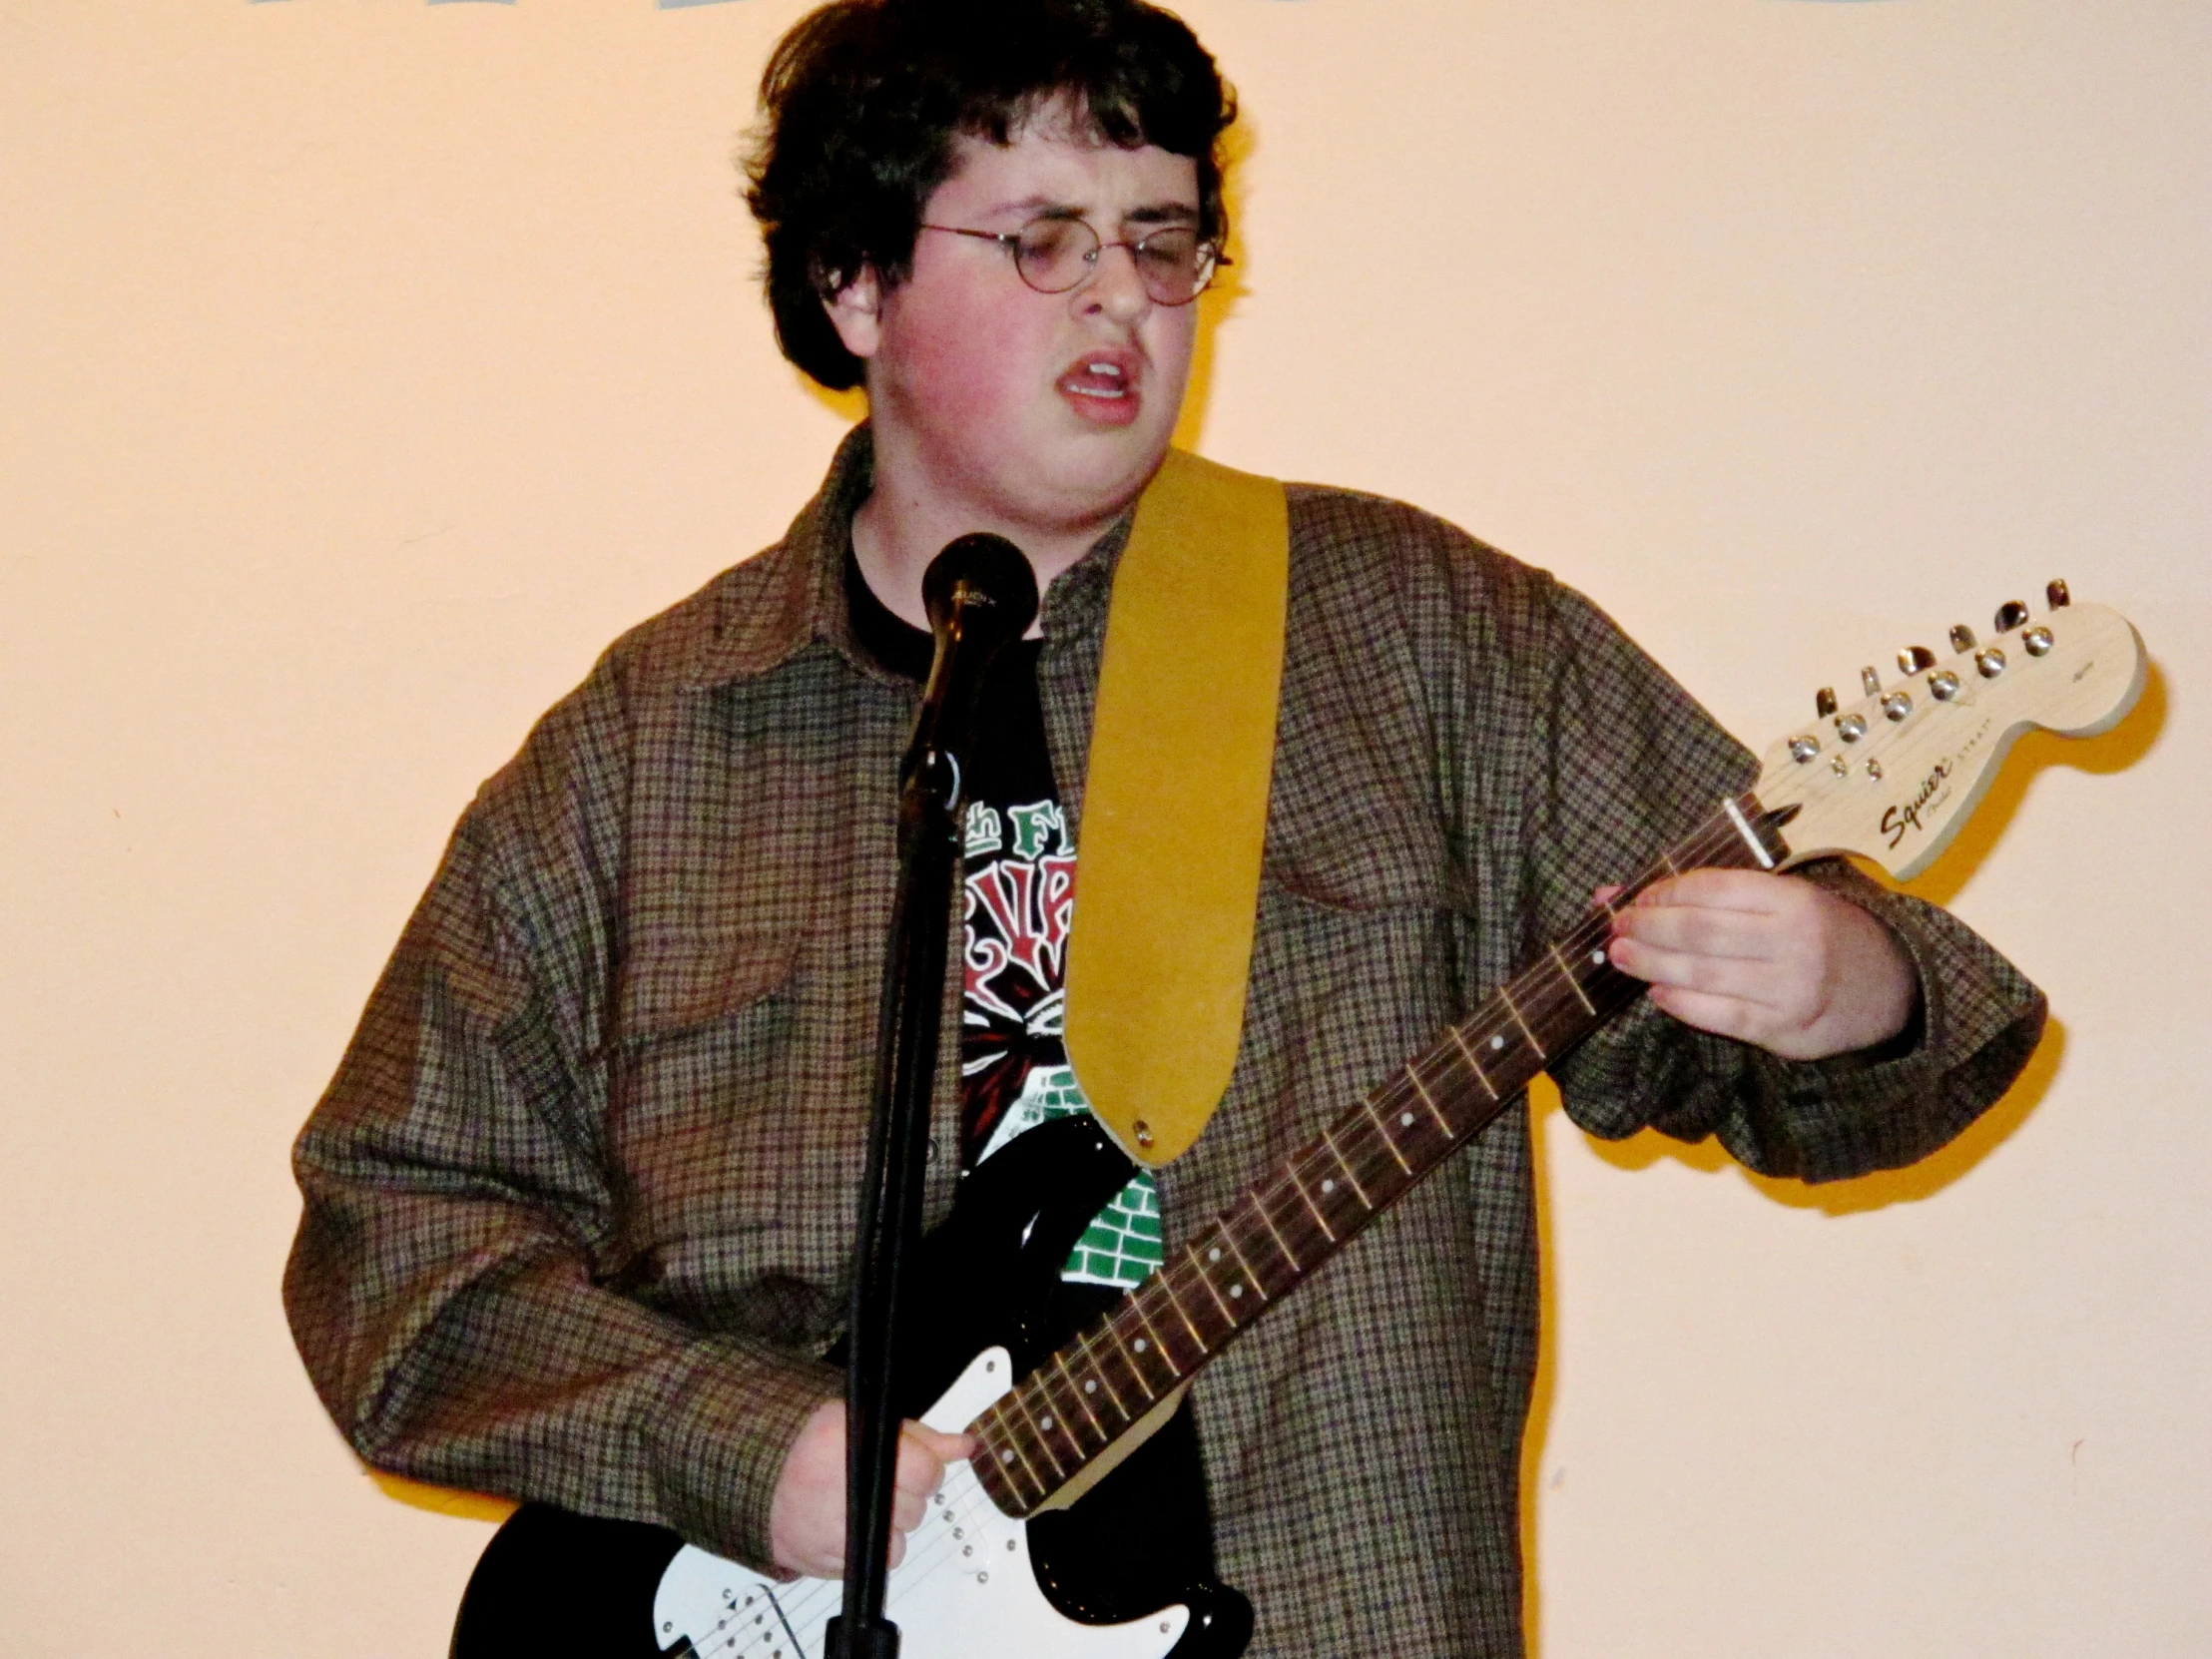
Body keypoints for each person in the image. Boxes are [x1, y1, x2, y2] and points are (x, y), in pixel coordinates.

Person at [282, 2, 2045, 1654]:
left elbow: (1837, 1066)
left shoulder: (1419, 639)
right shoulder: (640, 756)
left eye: (1162, 237)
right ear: (854, 286)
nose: (1120, 297)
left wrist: (1855, 985)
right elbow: (396, 1245)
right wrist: (751, 1449)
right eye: (1042, 239)